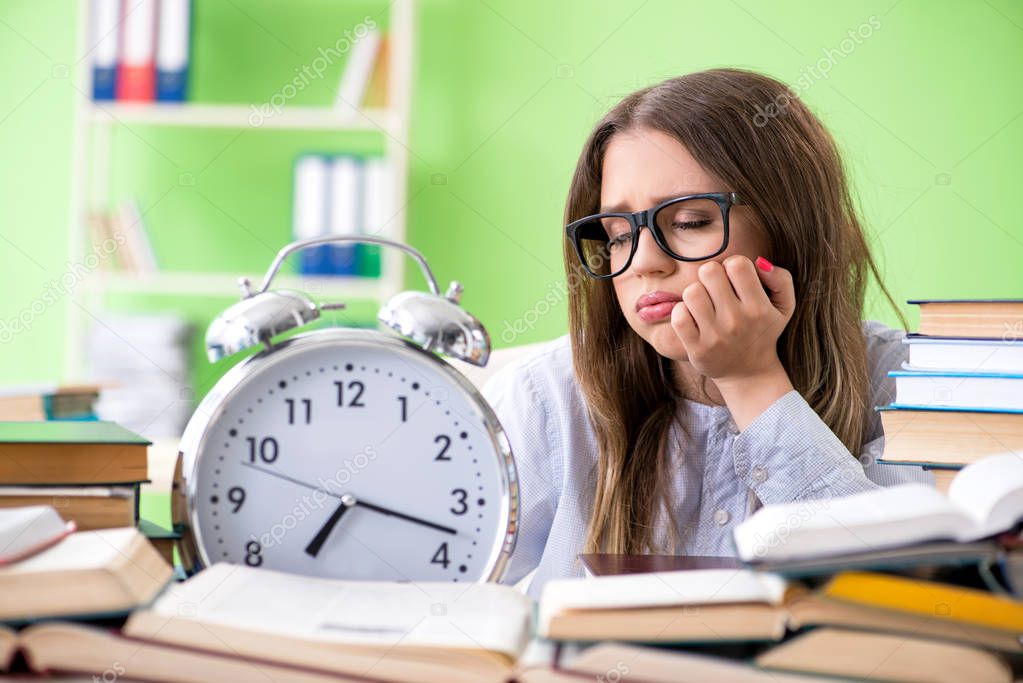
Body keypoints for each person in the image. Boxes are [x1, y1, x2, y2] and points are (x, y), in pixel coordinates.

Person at [482, 68, 933, 598]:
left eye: (691, 222)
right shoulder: (544, 397)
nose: (643, 262)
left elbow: (892, 599)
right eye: (619, 234)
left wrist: (751, 378)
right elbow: (419, 590)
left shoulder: (910, 388)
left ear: (789, 227)